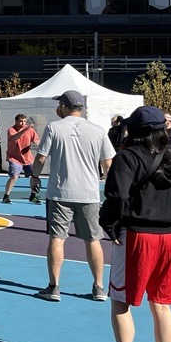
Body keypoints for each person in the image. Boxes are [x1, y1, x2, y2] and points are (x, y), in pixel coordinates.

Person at [99, 105, 171, 342]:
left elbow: (116, 195)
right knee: (161, 303)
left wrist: (109, 225)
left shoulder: (128, 157)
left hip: (137, 233)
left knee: (121, 299)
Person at [31, 90, 114, 303]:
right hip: (89, 193)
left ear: (65, 106)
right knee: (93, 240)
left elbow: (41, 157)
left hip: (60, 192)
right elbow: (108, 163)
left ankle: (54, 286)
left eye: (60, 104)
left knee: (57, 238)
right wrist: (110, 188)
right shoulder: (97, 130)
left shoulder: (54, 127)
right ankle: (99, 286)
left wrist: (34, 177)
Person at [3, 114, 39, 204]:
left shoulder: (30, 130)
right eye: (20, 121)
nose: (23, 123)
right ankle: (6, 196)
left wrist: (37, 144)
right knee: (14, 176)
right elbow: (16, 137)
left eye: (24, 121)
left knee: (34, 176)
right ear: (16, 121)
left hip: (28, 158)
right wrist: (26, 129)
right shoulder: (11, 130)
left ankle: (33, 196)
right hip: (14, 158)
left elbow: (36, 140)